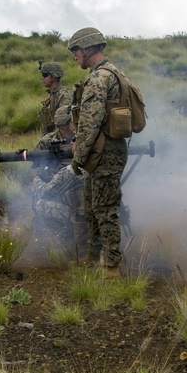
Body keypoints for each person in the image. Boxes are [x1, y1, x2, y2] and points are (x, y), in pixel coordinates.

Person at [67, 27, 128, 272]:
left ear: (88, 49)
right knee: (92, 207)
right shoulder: (114, 73)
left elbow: (90, 123)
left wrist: (77, 159)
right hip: (105, 151)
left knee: (105, 210)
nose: (75, 56)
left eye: (76, 51)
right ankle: (93, 257)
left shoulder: (97, 79)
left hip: (103, 154)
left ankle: (111, 267)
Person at [30, 105, 87, 256]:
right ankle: (63, 238)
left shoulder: (85, 139)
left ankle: (77, 244)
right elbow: (35, 170)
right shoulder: (47, 142)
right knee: (42, 202)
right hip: (59, 188)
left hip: (75, 187)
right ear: (65, 125)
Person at [38, 62, 72, 135]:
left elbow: (65, 121)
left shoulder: (63, 95)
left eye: (45, 75)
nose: (43, 78)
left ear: (53, 77)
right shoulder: (51, 95)